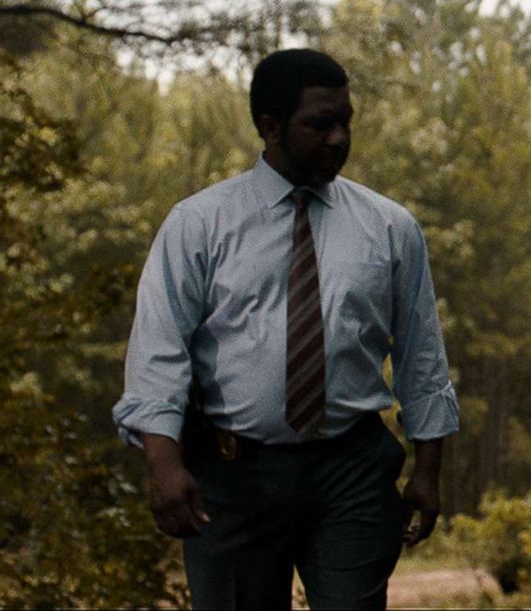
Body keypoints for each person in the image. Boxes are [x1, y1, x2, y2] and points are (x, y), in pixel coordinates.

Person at [113, 48, 459, 610]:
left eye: (345, 121)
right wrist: (163, 461)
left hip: (352, 471)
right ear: (270, 127)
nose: (338, 138)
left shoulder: (390, 228)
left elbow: (422, 353)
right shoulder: (200, 224)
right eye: (319, 124)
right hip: (233, 475)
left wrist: (428, 468)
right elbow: (159, 350)